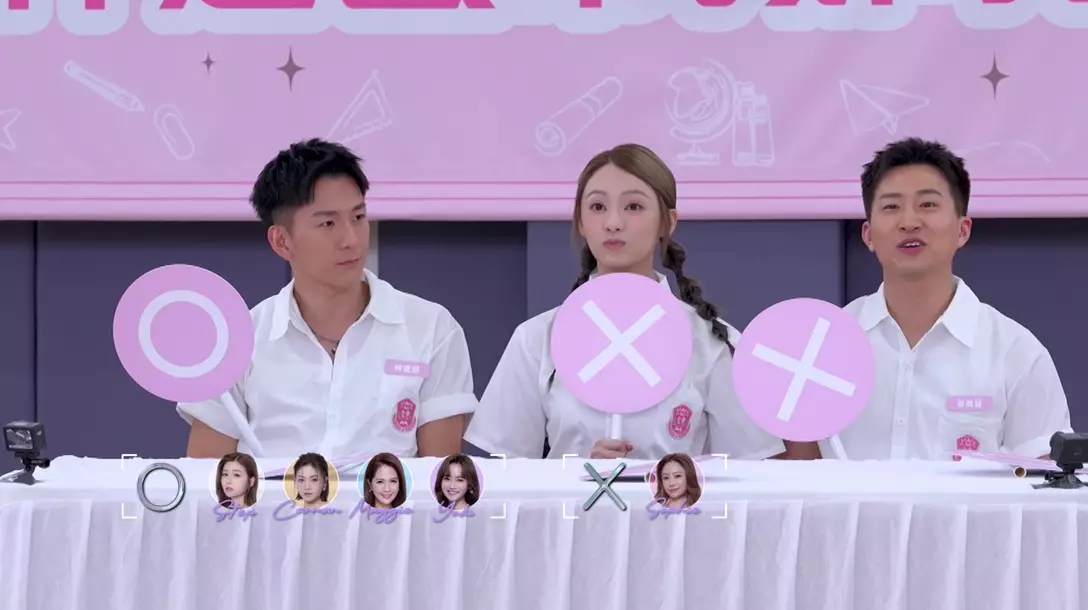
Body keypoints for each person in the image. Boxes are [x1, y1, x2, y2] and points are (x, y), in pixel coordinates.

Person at [464, 143, 787, 461]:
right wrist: (578, 475)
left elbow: (748, 470)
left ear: (668, 222)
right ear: (580, 221)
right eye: (597, 207)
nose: (613, 223)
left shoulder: (712, 342)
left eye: (633, 206)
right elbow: (509, 471)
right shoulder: (536, 338)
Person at [178, 139, 477, 460]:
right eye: (328, 223)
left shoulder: (431, 329)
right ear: (282, 241)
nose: (351, 239)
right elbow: (207, 476)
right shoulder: (238, 340)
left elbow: (441, 479)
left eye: (358, 217)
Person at [812, 137, 1072, 461]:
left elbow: (1046, 474)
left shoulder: (1015, 352)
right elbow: (793, 469)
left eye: (928, 205)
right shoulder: (824, 344)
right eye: (891, 207)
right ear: (868, 235)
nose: (909, 222)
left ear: (963, 230)